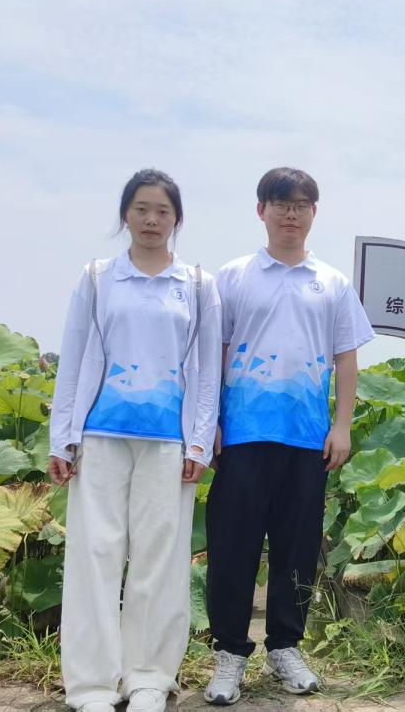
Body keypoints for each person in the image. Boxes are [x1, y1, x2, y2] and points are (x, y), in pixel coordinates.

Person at [49, 169, 222, 712]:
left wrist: (199, 442)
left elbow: (207, 370)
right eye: (141, 209)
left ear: (177, 219)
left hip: (168, 441)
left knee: (160, 558)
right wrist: (62, 437)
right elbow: (73, 356)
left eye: (162, 211)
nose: (151, 220)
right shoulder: (99, 277)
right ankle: (92, 685)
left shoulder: (198, 284)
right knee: (94, 554)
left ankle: (149, 678)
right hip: (99, 434)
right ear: (125, 214)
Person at [203, 167, 375, 705]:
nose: (291, 214)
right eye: (280, 204)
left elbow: (346, 357)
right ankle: (229, 652)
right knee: (232, 545)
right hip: (243, 433)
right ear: (261, 210)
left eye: (301, 204)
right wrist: (210, 422)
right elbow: (214, 353)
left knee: (297, 548)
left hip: (306, 436)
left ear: (314, 213)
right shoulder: (233, 276)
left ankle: (284, 647)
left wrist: (342, 425)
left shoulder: (333, 283)